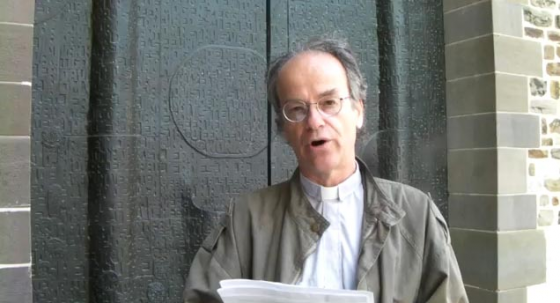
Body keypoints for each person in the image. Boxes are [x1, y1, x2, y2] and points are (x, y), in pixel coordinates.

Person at [184, 36, 468, 303]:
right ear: (283, 130)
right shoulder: (245, 219)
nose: (314, 121)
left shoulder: (417, 215)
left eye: (329, 103)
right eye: (296, 109)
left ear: (358, 111)